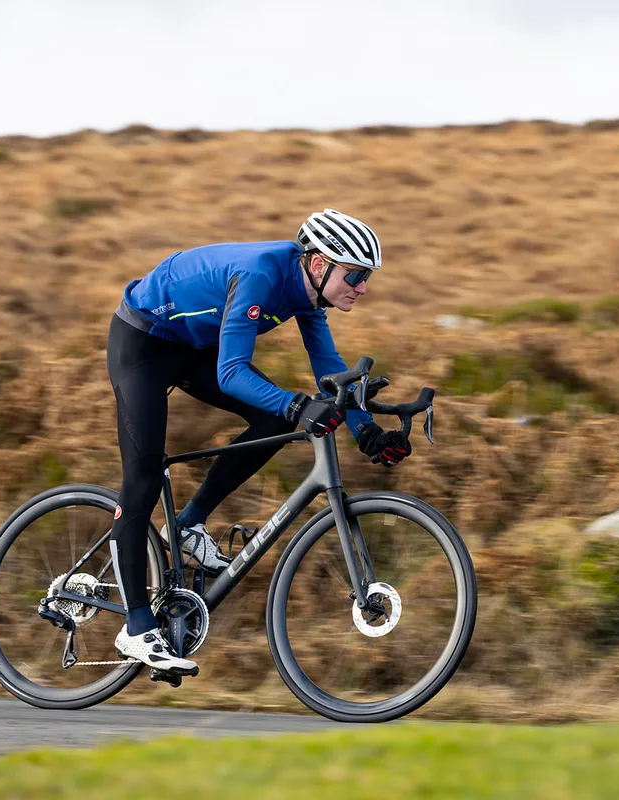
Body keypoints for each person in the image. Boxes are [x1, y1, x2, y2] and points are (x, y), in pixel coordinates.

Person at [105, 209, 414, 676]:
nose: (362, 287)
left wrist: (365, 431)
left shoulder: (308, 294)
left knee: (273, 422)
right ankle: (135, 625)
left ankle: (187, 524)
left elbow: (329, 370)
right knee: (145, 474)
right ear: (318, 264)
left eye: (366, 277)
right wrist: (297, 406)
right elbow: (231, 374)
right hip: (143, 343)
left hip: (191, 349)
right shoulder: (259, 275)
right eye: (355, 275)